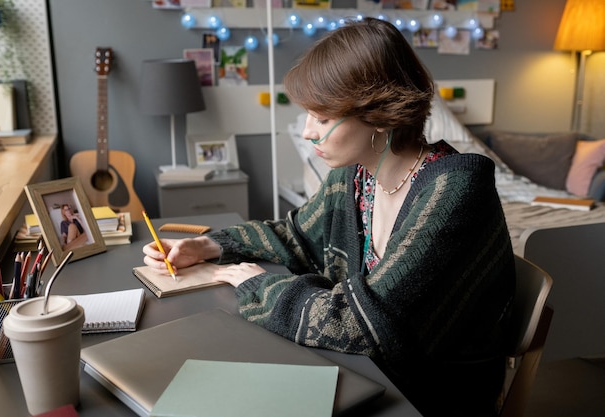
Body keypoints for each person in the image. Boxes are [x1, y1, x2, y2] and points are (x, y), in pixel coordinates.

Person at [143, 18, 515, 417]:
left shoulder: (456, 189)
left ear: (378, 114)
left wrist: (259, 286)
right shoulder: (355, 177)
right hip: (368, 373)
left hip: (429, 396)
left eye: (321, 118)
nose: (306, 132)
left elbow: (364, 325)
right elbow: (295, 235)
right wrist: (211, 245)